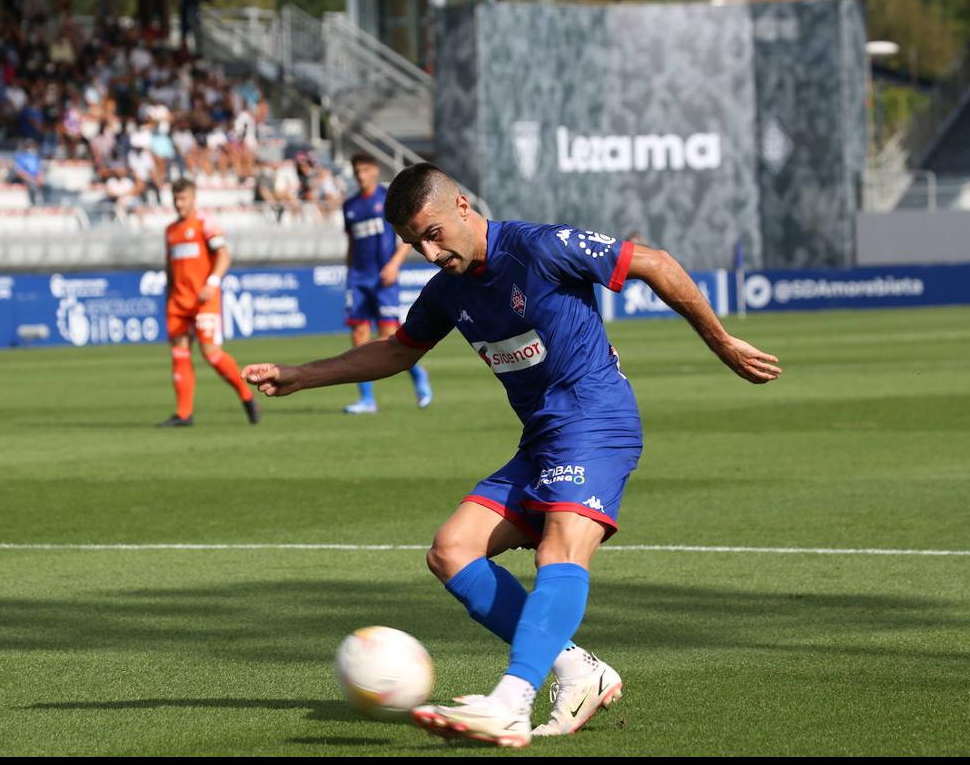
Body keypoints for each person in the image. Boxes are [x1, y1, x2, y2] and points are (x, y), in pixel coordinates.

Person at [243, 163, 781, 747]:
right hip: (542, 440)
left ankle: (511, 701)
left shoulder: (540, 248)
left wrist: (722, 342)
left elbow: (652, 262)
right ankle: (577, 669)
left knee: (559, 548)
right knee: (451, 551)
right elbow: (399, 352)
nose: (427, 252)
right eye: (412, 243)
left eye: (432, 233)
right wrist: (302, 375)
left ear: (464, 207)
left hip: (597, 422)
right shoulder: (448, 290)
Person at [160, 178, 260, 428]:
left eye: (183, 198)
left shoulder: (206, 223)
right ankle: (184, 414)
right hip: (178, 301)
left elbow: (224, 256)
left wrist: (212, 282)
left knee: (211, 354)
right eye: (176, 199)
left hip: (204, 299)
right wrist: (168, 296)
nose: (179, 203)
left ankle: (247, 396)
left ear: (193, 199)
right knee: (179, 354)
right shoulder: (171, 230)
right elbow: (170, 267)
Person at [339, 153, 433, 414]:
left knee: (388, 338)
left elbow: (407, 238)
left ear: (375, 170)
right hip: (358, 278)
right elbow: (351, 243)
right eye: (356, 170)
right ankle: (367, 399)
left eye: (365, 169)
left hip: (383, 277)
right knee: (359, 336)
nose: (360, 175)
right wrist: (349, 273)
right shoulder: (350, 206)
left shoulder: (387, 200)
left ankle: (418, 375)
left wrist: (394, 264)